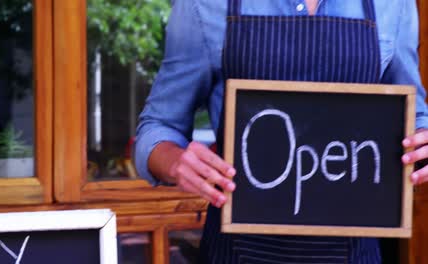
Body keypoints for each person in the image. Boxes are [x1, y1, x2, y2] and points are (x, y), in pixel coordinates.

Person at [135, 0, 428, 263]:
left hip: (355, 253)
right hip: (235, 253)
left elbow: (413, 113)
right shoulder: (204, 5)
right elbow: (158, 126)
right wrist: (174, 162)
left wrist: (422, 140)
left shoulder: (394, 5)